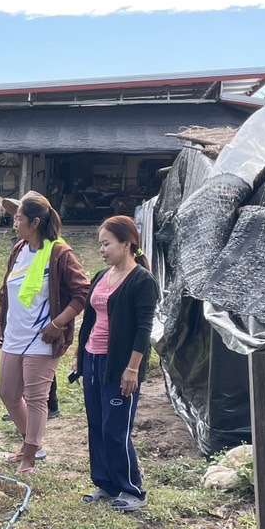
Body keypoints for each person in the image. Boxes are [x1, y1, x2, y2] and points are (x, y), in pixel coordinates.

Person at [0, 191, 90, 473]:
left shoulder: (59, 253)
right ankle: (30, 442)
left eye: (18, 217)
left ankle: (31, 455)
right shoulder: (19, 250)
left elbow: (82, 292)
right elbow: (5, 289)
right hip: (15, 336)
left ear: (34, 223)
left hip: (42, 339)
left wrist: (58, 324)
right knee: (9, 394)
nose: (14, 222)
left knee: (36, 398)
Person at [74, 214, 160, 511]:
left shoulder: (142, 281)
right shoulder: (101, 276)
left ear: (127, 243)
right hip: (93, 361)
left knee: (115, 428)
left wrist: (133, 368)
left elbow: (142, 330)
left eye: (107, 243)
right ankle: (105, 484)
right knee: (96, 424)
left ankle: (131, 488)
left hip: (120, 366)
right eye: (100, 244)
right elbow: (90, 320)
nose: (102, 249)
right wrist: (80, 357)